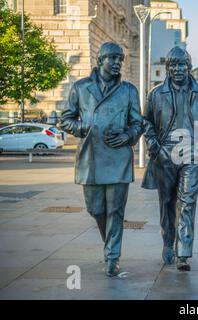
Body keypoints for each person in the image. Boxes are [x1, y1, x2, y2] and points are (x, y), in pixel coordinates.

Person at [60, 42, 143, 277]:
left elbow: (138, 122)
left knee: (115, 211)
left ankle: (112, 257)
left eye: (120, 59)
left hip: (118, 158)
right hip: (91, 157)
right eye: (112, 58)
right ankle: (110, 243)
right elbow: (66, 119)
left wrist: (128, 135)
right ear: (100, 60)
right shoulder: (81, 87)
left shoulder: (128, 90)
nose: (117, 62)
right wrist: (82, 126)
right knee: (95, 208)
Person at [141, 47, 198, 271]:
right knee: (167, 203)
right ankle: (168, 243)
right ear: (167, 68)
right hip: (164, 155)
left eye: (182, 64)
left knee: (187, 203)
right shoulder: (155, 94)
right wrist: (154, 145)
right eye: (173, 65)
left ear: (189, 67)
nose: (177, 69)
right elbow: (147, 122)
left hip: (191, 155)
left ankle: (184, 251)